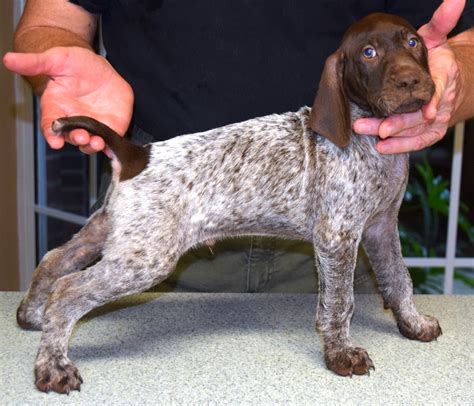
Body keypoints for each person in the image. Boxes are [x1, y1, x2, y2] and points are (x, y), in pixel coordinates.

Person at [4, 0, 474, 293]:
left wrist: (455, 76)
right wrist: (61, 57)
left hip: (341, 203)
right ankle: (59, 290)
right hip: (170, 181)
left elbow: (465, 44)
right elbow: (52, 20)